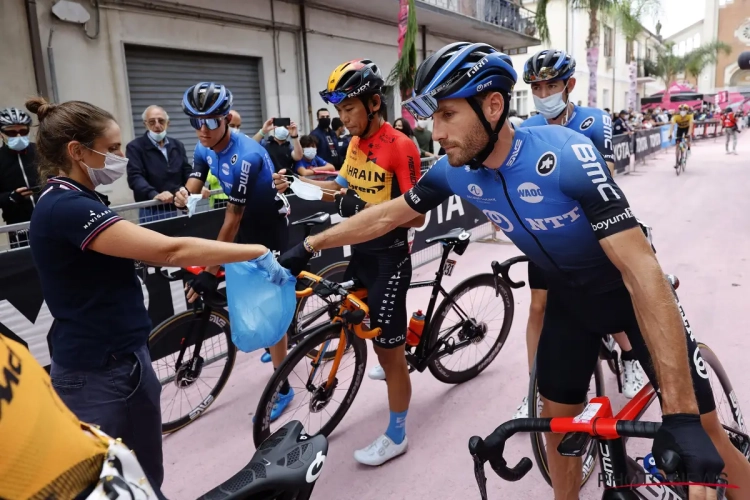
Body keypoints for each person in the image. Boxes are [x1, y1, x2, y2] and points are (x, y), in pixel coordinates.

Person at [276, 41, 749, 499]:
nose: (435, 132)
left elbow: (642, 270)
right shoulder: (455, 171)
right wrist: (310, 245)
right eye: (434, 117)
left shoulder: (565, 155)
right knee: (559, 438)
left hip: (631, 295)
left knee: (707, 437)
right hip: (571, 304)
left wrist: (682, 414)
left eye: (447, 114)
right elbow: (386, 215)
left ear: (494, 105)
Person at [26, 96, 271, 496]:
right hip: (96, 374)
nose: (122, 157)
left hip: (127, 358)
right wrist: (256, 252)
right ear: (76, 151)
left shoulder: (84, 198)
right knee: (109, 487)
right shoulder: (65, 206)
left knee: (146, 480)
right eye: (112, 149)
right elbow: (168, 250)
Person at [273, 58, 422, 466]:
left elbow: (419, 214)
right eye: (338, 111)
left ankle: (397, 435)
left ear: (374, 103)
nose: (343, 119)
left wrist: (368, 204)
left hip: (390, 258)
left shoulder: (401, 145)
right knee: (361, 325)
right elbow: (339, 187)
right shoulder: (354, 144)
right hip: (360, 252)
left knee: (390, 357)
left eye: (349, 109)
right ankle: (399, 346)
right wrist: (298, 184)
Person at [514, 50, 645, 421]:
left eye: (551, 85)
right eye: (537, 86)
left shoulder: (594, 120)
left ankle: (631, 355)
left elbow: (605, 172)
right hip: (547, 236)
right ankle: (534, 390)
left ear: (569, 86)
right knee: (538, 306)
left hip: (592, 232)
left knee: (608, 302)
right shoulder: (526, 128)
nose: (543, 93)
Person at [173, 82, 294, 420]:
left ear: (226, 119)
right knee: (252, 291)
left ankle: (283, 385)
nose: (202, 130)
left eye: (210, 122)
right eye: (195, 121)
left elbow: (232, 220)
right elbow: (194, 182)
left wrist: (211, 272)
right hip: (243, 225)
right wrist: (184, 193)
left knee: (270, 305)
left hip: (268, 226)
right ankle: (279, 338)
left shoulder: (245, 156)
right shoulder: (203, 145)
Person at [126, 105, 192, 223]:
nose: (157, 125)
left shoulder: (177, 145)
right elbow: (135, 177)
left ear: (168, 123)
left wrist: (196, 185)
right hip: (153, 208)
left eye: (161, 121)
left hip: (179, 204)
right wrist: (154, 194)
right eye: (152, 122)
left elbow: (186, 171)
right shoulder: (135, 147)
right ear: (145, 124)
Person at [0, 107, 39, 248]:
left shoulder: (41, 151)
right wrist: (11, 197)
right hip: (19, 225)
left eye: (23, 131)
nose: (18, 136)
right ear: (1, 134)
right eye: (11, 132)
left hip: (50, 217)